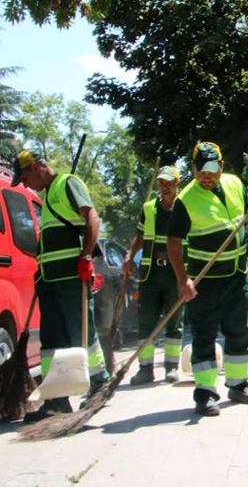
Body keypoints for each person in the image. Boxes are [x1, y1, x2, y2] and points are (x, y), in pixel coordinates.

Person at [11, 150, 109, 422]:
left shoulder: (68, 183)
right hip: (50, 280)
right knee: (52, 341)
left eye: (26, 177)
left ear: (36, 167)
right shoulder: (48, 194)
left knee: (81, 333)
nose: (26, 184)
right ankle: (56, 399)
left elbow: (92, 220)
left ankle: (100, 385)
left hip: (71, 278)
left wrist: (86, 257)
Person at [167, 142, 248, 417]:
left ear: (221, 167)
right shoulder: (185, 200)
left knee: (240, 332)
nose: (206, 176)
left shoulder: (234, 184)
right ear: (193, 169)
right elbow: (173, 242)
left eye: (212, 169)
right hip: (204, 280)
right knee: (204, 335)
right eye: (200, 170)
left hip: (236, 276)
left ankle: (238, 385)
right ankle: (206, 393)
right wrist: (182, 279)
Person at [123, 165, 184, 385]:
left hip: (175, 273)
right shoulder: (149, 208)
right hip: (150, 275)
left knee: (174, 322)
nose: (164, 186)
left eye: (169, 182)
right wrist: (130, 255)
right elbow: (139, 236)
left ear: (178, 182)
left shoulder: (185, 207)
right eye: (161, 182)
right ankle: (145, 369)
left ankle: (171, 367)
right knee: (146, 322)